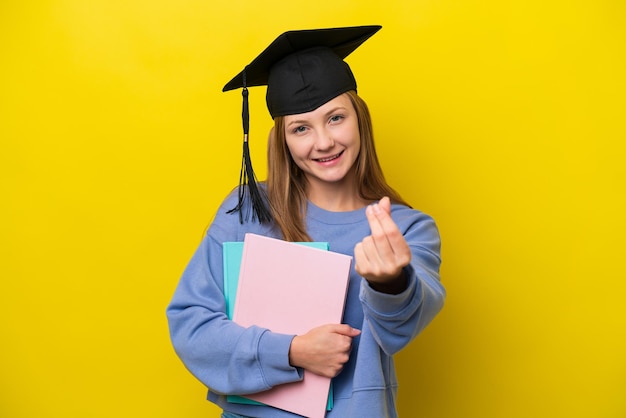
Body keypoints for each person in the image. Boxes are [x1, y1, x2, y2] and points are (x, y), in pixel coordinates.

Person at [166, 25, 445, 418]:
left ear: (359, 119)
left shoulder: (405, 227)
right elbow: (192, 325)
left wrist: (390, 280)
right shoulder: (248, 209)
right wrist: (294, 350)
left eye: (335, 118)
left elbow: (403, 325)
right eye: (301, 128)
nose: (324, 142)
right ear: (282, 139)